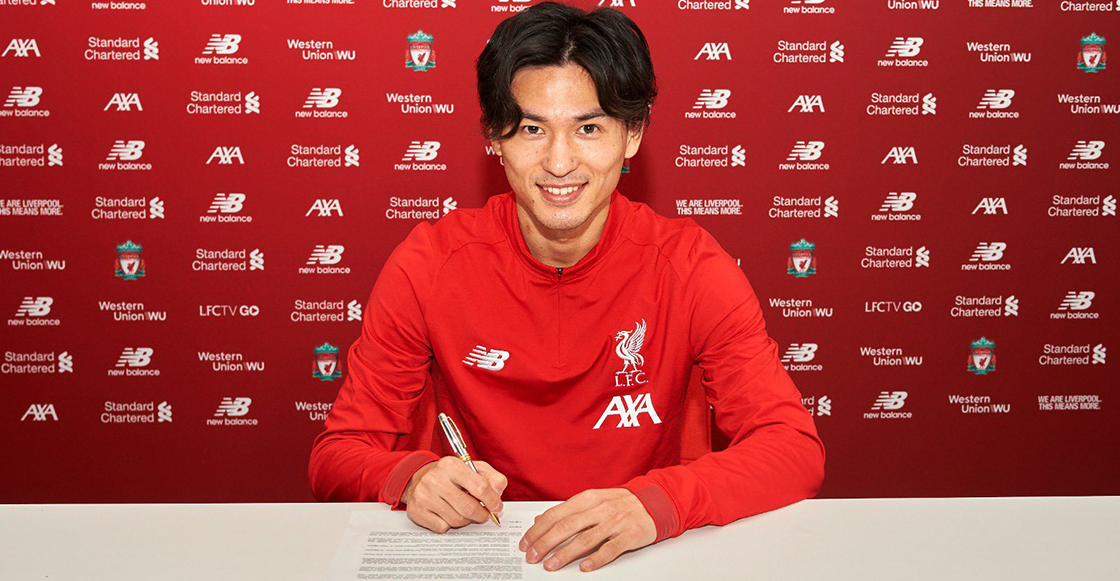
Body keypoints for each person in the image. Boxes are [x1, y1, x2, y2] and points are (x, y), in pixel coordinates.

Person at [309, 1, 825, 573]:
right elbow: (337, 455)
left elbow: (792, 447)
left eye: (588, 128)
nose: (559, 162)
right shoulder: (428, 264)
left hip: (643, 553)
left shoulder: (691, 267)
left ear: (632, 135)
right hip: (484, 550)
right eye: (532, 129)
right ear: (494, 137)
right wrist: (410, 478)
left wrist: (656, 504)